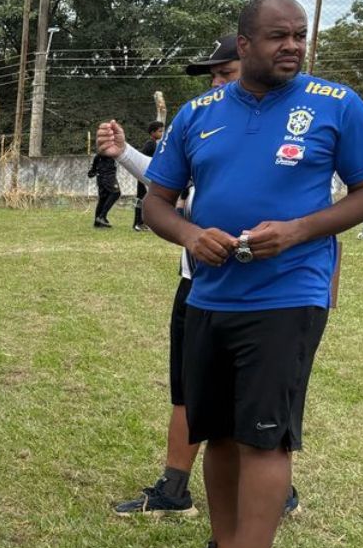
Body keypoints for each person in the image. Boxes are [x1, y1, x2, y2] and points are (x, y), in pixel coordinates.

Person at [140, 0, 363, 548]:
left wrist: (300, 230)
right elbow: (156, 202)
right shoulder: (199, 113)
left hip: (288, 294)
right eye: (278, 36)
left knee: (264, 437)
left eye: (300, 36)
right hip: (210, 296)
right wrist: (192, 236)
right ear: (245, 44)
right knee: (218, 433)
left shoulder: (335, 105)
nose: (292, 46)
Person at [98, 34, 250, 520]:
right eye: (214, 76)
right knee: (187, 387)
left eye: (225, 73)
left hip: (259, 290)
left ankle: (269, 483)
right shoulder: (203, 123)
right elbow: (169, 186)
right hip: (197, 283)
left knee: (251, 394)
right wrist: (124, 153)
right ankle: (174, 487)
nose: (216, 85)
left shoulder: (280, 129)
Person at [131, 121, 165, 232]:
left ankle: (142, 222)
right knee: (141, 199)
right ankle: (138, 223)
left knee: (144, 199)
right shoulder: (150, 144)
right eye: (160, 131)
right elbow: (142, 158)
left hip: (148, 175)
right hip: (144, 175)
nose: (162, 133)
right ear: (153, 132)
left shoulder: (155, 143)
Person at [88, 145, 123, 228]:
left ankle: (97, 223)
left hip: (101, 178)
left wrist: (92, 172)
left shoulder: (98, 156)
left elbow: (92, 170)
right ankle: (101, 217)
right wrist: (92, 172)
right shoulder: (105, 153)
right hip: (108, 177)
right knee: (116, 193)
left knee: (103, 198)